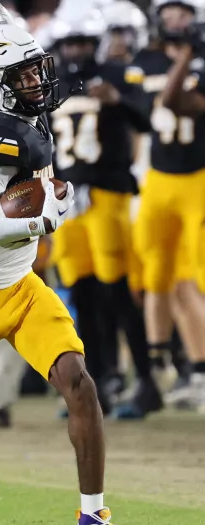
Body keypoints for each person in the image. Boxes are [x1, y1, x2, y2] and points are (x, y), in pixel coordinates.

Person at [0, 0, 148, 525]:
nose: (36, 81)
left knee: (79, 384)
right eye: (21, 75)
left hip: (20, 287)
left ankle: (93, 520)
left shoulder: (25, 119)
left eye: (35, 69)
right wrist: (40, 219)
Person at [45, 12, 158, 418]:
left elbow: (146, 120)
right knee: (82, 293)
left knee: (119, 290)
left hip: (108, 194)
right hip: (68, 201)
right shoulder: (51, 85)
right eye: (70, 43)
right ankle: (96, 383)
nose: (76, 51)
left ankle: (145, 381)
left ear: (96, 43)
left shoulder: (117, 74)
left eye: (83, 42)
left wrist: (118, 102)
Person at [134, 0, 205, 413]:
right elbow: (143, 114)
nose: (175, 21)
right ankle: (164, 360)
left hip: (199, 177)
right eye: (169, 12)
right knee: (159, 275)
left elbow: (178, 102)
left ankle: (194, 369)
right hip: (158, 178)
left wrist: (188, 56)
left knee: (196, 278)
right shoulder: (145, 61)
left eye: (183, 12)